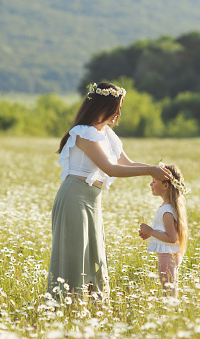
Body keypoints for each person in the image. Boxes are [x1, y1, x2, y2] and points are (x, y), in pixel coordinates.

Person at [47, 82, 170, 300]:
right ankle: (68, 306)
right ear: (103, 106)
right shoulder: (84, 133)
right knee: (76, 255)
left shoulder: (107, 135)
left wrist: (156, 170)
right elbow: (109, 168)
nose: (119, 113)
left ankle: (92, 308)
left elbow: (127, 163)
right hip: (75, 197)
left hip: (93, 200)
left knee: (95, 256)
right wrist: (149, 170)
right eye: (116, 107)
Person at [138, 163, 189, 298]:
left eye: (154, 181)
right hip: (170, 254)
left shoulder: (167, 211)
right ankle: (171, 314)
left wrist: (150, 230)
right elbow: (167, 232)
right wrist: (151, 234)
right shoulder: (169, 207)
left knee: (169, 292)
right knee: (170, 289)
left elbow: (171, 238)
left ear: (166, 186)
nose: (151, 184)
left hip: (167, 256)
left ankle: (170, 315)